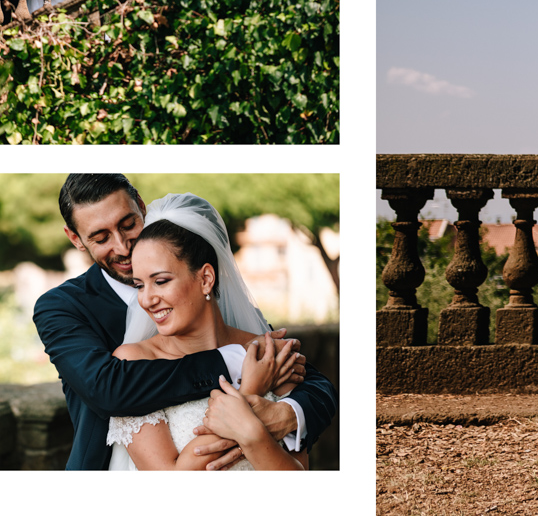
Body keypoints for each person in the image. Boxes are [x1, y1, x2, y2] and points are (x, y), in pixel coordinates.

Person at [33, 174, 338, 470]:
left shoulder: (222, 307)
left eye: (129, 225)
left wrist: (289, 413)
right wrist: (237, 363)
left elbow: (310, 382)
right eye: (101, 238)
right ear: (75, 238)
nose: (123, 247)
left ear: (142, 206)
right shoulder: (62, 307)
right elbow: (108, 389)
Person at [108, 194, 305, 470]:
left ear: (206, 278)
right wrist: (250, 392)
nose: (147, 299)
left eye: (161, 281)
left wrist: (248, 422)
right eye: (140, 285)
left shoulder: (266, 353)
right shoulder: (134, 363)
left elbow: (301, 473)